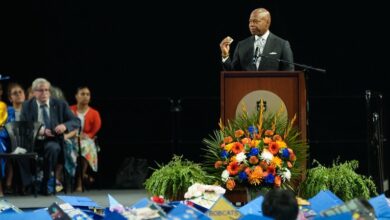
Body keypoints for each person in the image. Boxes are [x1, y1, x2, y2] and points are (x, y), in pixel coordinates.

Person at [20, 78, 80, 195]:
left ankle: (45, 182)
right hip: (33, 141)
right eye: (40, 90)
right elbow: (24, 126)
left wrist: (64, 126)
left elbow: (76, 121)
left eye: (47, 90)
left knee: (53, 149)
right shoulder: (27, 105)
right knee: (19, 152)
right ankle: (29, 184)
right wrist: (39, 131)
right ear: (34, 92)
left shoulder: (59, 104)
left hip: (52, 140)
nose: (44, 93)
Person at [220, 8, 294, 71]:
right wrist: (225, 55)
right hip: (247, 87)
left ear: (267, 22)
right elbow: (232, 73)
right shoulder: (242, 45)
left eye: (255, 21)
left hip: (271, 87)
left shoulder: (282, 45)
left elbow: (289, 73)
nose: (251, 25)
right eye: (250, 21)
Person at [68, 86, 101, 192]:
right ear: (76, 96)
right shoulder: (70, 110)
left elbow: (94, 131)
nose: (85, 96)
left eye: (88, 94)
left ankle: (80, 182)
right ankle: (63, 181)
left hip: (86, 140)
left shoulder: (94, 113)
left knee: (85, 148)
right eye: (82, 94)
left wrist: (86, 136)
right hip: (70, 138)